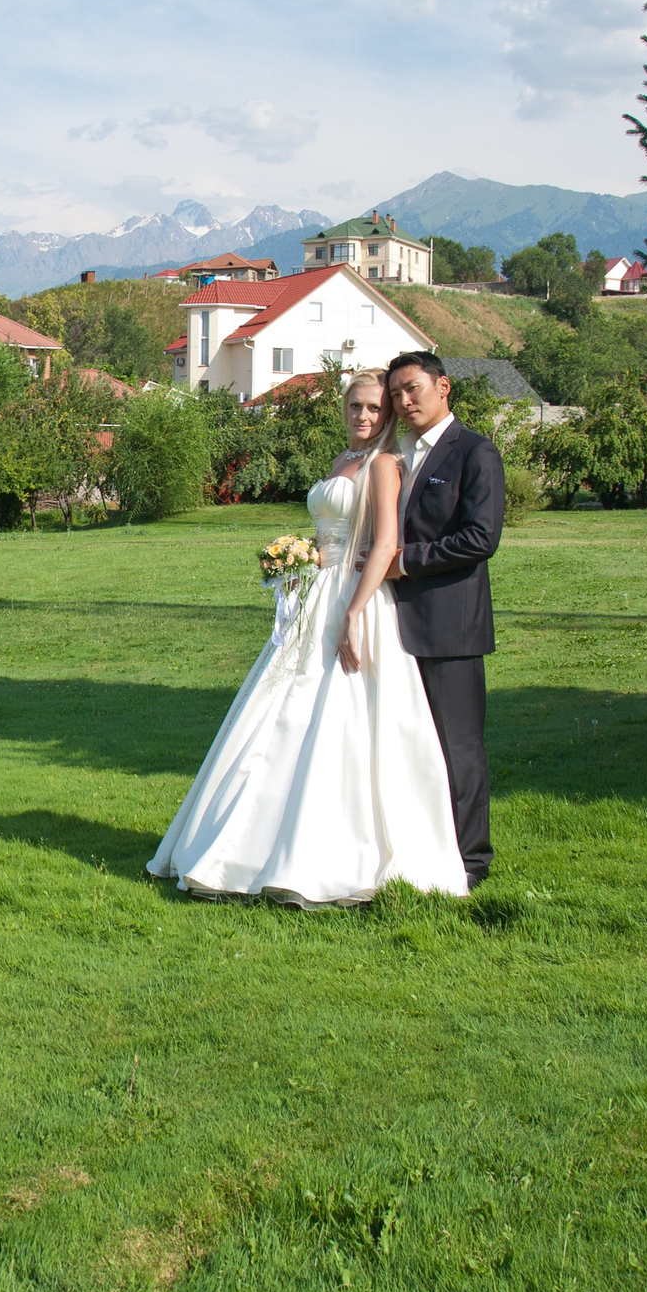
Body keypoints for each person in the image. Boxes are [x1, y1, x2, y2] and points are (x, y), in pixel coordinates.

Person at [148, 370, 467, 905]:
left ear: (386, 415)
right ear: (343, 410)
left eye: (373, 408)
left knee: (342, 720)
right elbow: (332, 532)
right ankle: (246, 847)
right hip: (317, 593)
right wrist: (298, 560)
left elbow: (386, 541)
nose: (364, 417)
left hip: (357, 598)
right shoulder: (342, 462)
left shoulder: (385, 465)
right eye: (355, 407)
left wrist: (354, 614)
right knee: (278, 710)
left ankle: (327, 855)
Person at [381, 351, 506, 888]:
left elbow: (481, 539)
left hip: (450, 625)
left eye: (412, 389)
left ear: (443, 386)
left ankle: (471, 862)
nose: (404, 402)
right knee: (408, 745)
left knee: (458, 748)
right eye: (396, 395)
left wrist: (406, 562)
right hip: (393, 626)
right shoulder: (399, 455)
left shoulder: (475, 452)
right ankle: (420, 851)